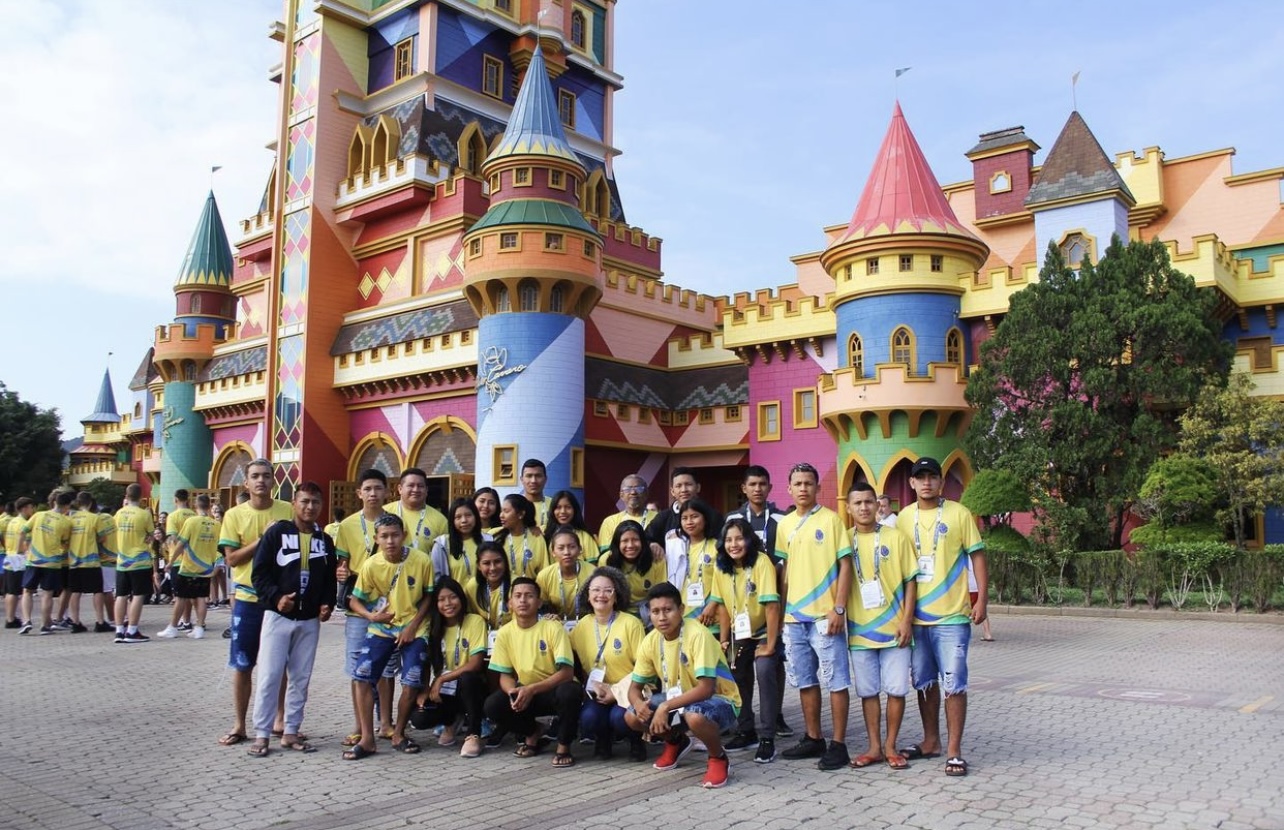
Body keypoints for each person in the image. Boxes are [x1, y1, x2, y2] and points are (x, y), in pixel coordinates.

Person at [898, 457, 987, 777]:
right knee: (924, 682)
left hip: (952, 619)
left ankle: (954, 751)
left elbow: (977, 556)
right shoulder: (902, 519)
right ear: (911, 483)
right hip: (917, 619)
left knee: (955, 683)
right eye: (920, 478)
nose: (926, 483)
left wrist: (983, 601)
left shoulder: (959, 514)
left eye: (932, 477)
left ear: (942, 481)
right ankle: (930, 741)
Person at [246, 482, 337, 757]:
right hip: (278, 617)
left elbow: (330, 579)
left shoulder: (325, 540)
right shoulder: (276, 534)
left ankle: (291, 731)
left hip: (309, 621)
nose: (310, 507)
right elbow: (259, 574)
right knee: (269, 675)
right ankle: (262, 734)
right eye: (305, 501)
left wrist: (327, 604)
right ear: (294, 503)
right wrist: (276, 598)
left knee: (301, 677)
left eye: (315, 502)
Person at [624, 582, 741, 789]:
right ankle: (676, 741)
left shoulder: (698, 634)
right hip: (680, 699)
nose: (662, 617)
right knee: (632, 715)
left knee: (694, 716)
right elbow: (634, 688)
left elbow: (707, 688)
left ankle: (718, 757)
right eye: (655, 611)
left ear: (681, 610)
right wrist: (638, 703)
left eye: (668, 610)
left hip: (719, 701)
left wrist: (665, 707)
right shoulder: (651, 640)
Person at [776, 461, 854, 770]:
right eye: (798, 483)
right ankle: (813, 738)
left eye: (809, 483)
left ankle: (838, 743)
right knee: (805, 680)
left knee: (835, 680)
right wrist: (781, 615)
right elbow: (782, 573)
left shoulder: (832, 521)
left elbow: (845, 565)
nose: (803, 488)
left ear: (818, 488)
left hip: (826, 617)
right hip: (794, 619)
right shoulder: (783, 525)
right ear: (789, 489)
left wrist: (839, 608)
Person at [346, 513, 435, 759]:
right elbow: (354, 600)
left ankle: (399, 733)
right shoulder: (371, 565)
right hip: (381, 628)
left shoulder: (422, 560)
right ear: (376, 538)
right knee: (362, 677)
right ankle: (367, 739)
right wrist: (371, 617)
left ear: (404, 535)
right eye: (384, 536)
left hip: (414, 627)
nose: (390, 541)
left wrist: (413, 626)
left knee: (412, 680)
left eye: (395, 535)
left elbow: (429, 596)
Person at [216, 459, 293, 745]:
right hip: (248, 598)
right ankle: (239, 724)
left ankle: (280, 718)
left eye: (266, 476)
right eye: (255, 476)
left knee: (279, 663)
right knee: (243, 663)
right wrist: (264, 538)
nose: (261, 481)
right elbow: (232, 559)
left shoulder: (287, 510)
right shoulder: (234, 515)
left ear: (274, 481)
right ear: (246, 483)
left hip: (279, 598)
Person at [845, 482, 918, 770]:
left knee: (897, 690)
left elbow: (911, 581)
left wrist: (906, 621)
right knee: (868, 692)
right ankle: (874, 746)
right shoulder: (843, 541)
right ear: (849, 508)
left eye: (869, 502)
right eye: (858, 503)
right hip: (859, 633)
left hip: (895, 630)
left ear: (878, 505)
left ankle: (891, 746)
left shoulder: (896, 538)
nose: (864, 507)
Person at [723, 465, 793, 739]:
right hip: (743, 605)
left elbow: (786, 561)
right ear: (744, 488)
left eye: (763, 484)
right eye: (752, 484)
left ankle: (775, 716)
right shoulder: (733, 519)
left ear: (770, 487)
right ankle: (745, 723)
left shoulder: (780, 519)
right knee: (740, 667)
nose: (757, 489)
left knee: (774, 663)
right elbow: (726, 560)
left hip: (775, 598)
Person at [483, 577, 582, 767]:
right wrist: (514, 692)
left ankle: (563, 747)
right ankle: (533, 732)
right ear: (509, 603)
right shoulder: (505, 633)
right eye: (517, 596)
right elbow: (504, 675)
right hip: (527, 692)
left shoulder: (553, 627)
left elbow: (567, 673)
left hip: (554, 688)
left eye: (529, 596)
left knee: (570, 692)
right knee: (493, 705)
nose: (523, 600)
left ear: (539, 603)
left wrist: (531, 690)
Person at [711, 517, 783, 763]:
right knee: (736, 671)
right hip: (738, 632)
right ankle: (746, 729)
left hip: (764, 629)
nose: (734, 544)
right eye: (729, 540)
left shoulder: (761, 562)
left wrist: (771, 645)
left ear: (750, 540)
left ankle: (767, 737)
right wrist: (723, 640)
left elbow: (772, 606)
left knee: (764, 671)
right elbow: (721, 606)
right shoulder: (722, 566)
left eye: (739, 538)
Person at [334, 468, 391, 748]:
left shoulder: (394, 521)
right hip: (358, 605)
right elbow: (341, 564)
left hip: (390, 604)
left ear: (387, 492)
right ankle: (359, 724)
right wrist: (340, 573)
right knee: (359, 667)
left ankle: (386, 724)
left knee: (385, 667)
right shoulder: (346, 526)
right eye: (367, 489)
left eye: (378, 488)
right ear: (359, 493)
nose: (372, 494)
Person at [570, 566, 647, 760]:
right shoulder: (581, 627)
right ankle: (603, 740)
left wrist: (616, 691)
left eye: (608, 590)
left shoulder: (631, 623)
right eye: (595, 590)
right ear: (588, 596)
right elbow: (569, 658)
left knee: (618, 718)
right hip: (598, 690)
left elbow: (644, 668)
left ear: (617, 594)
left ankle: (636, 740)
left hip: (631, 689)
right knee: (588, 719)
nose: (601, 595)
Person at [411, 576, 489, 757]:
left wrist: (441, 679)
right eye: (441, 599)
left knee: (468, 679)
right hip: (445, 691)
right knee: (419, 718)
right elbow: (425, 663)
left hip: (470, 686)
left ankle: (473, 734)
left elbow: (476, 663)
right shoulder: (434, 628)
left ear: (461, 598)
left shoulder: (474, 621)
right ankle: (451, 721)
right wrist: (424, 690)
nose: (448, 603)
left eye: (452, 597)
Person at [160, 494, 220, 639]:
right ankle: (199, 627)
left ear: (195, 505)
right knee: (201, 598)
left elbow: (181, 544)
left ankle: (173, 627)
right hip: (206, 567)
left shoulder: (191, 522)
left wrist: (171, 561)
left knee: (181, 597)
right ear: (208, 506)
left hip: (189, 566)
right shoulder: (216, 524)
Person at [19, 491, 73, 635]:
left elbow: (23, 531)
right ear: (67, 506)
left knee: (27, 591)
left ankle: (26, 621)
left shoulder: (38, 515)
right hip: (52, 563)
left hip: (34, 560)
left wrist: (22, 548)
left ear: (54, 502)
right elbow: (65, 542)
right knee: (47, 594)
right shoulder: (65, 522)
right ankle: (45, 625)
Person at [110, 485, 154, 643]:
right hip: (139, 561)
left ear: (126, 496)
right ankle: (132, 630)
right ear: (141, 496)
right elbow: (150, 535)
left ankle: (119, 630)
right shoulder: (144, 514)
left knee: (121, 595)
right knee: (138, 595)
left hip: (122, 561)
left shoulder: (118, 514)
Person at [600, 520, 667, 621]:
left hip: (649, 613)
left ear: (643, 541)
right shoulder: (606, 560)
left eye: (635, 540)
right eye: (625, 541)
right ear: (617, 543)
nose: (630, 545)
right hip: (616, 613)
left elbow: (660, 593)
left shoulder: (656, 559)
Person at [676, 499, 721, 637]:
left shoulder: (717, 546)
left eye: (695, 516)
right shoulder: (677, 548)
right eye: (685, 518)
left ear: (705, 519)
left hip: (711, 615)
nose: (689, 522)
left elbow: (723, 581)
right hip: (684, 616)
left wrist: (712, 605)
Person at [645, 468, 701, 573]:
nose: (684, 489)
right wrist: (651, 544)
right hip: (670, 579)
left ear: (698, 487)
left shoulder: (711, 516)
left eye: (688, 484)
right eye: (678, 486)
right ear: (672, 491)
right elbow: (644, 539)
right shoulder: (663, 517)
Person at [385, 467, 448, 557]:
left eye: (420, 486)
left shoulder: (440, 520)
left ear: (426, 490)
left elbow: (445, 555)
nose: (415, 490)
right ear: (400, 489)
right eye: (411, 485)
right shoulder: (385, 513)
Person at [64, 491, 105, 633]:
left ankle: (75, 621)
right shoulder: (95, 518)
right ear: (91, 502)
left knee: (75, 591)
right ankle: (100, 621)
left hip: (74, 560)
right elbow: (102, 538)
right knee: (97, 591)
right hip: (91, 560)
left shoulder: (70, 519)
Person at [430, 497, 489, 587]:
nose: (464, 520)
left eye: (468, 515)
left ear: (476, 516)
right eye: (458, 517)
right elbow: (437, 580)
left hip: (484, 598)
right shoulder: (441, 545)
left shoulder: (488, 540)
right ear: (451, 521)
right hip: (455, 599)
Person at [536, 526, 588, 624]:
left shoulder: (592, 573)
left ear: (580, 549)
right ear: (553, 552)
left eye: (572, 547)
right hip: (556, 625)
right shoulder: (544, 576)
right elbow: (540, 607)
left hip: (587, 624)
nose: (567, 552)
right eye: (561, 548)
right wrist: (547, 616)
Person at [596, 475, 658, 558]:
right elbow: (606, 555)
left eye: (638, 488)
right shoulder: (609, 522)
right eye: (628, 489)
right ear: (621, 495)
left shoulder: (659, 518)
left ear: (646, 493)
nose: (633, 492)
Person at [493, 494, 548, 579]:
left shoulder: (537, 537)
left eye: (506, 511)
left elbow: (543, 573)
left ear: (521, 514)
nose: (501, 515)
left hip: (529, 590)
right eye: (501, 511)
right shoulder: (494, 535)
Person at [466, 542, 512, 631]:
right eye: (486, 563)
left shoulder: (516, 586)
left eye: (497, 561)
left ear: (505, 562)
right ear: (478, 566)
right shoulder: (472, 586)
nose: (493, 568)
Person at [3, 499, 35, 628]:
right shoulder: (24, 524)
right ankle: (19, 618)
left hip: (9, 558)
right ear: (24, 508)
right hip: (20, 560)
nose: (32, 510)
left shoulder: (12, 521)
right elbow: (25, 544)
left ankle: (10, 618)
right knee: (23, 591)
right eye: (31, 507)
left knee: (11, 591)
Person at [543, 491, 596, 563]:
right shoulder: (543, 532)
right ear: (552, 510)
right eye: (558, 507)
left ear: (575, 510)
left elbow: (593, 566)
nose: (563, 511)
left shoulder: (585, 536)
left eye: (568, 507)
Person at [519, 459, 551, 528]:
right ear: (521, 479)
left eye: (538, 476)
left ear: (545, 479)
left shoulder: (555, 505)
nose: (533, 481)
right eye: (529, 476)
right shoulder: (513, 505)